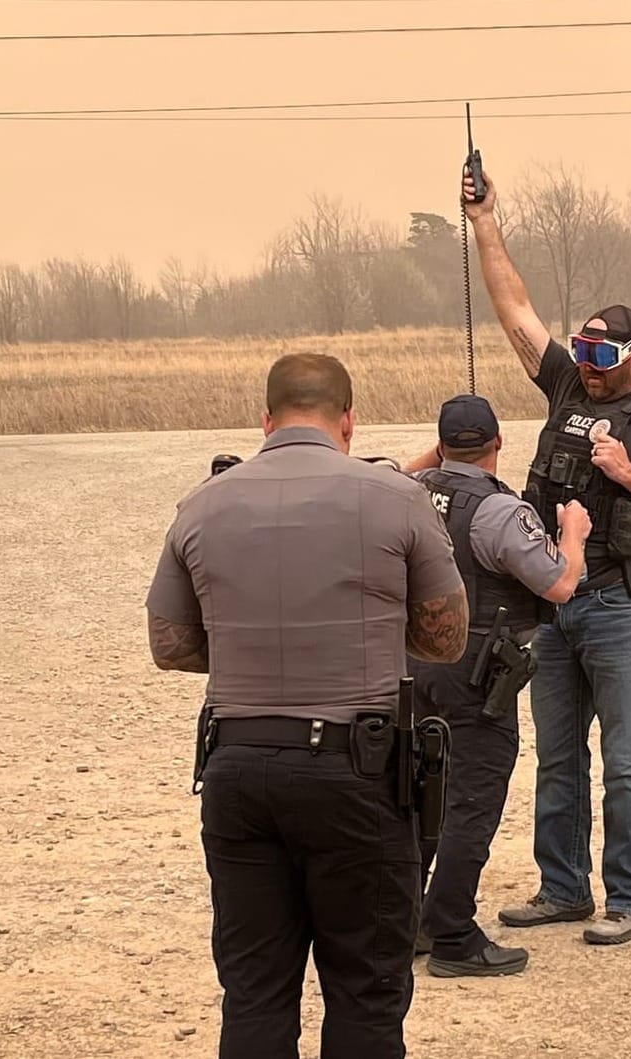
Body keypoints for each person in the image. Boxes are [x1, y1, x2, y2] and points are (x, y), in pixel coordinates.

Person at [144, 351, 468, 1059]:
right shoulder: (397, 497)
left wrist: (243, 644)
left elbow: (170, 644)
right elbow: (447, 636)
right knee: (364, 994)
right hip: (358, 772)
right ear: (347, 421)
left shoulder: (202, 504)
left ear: (265, 420)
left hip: (238, 768)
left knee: (255, 992)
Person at [461, 166, 631, 946]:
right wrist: (484, 222)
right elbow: (512, 310)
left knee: (628, 764)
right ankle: (563, 889)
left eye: (605, 357)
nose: (592, 366)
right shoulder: (567, 385)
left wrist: (626, 473)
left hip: (621, 608)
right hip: (557, 603)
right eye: (585, 352)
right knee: (557, 758)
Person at [399, 393, 593, 977]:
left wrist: (434, 458)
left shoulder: (408, 492)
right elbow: (559, 584)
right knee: (471, 803)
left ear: (440, 442)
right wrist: (574, 533)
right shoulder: (499, 511)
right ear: (499, 442)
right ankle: (453, 931)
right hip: (476, 671)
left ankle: (409, 922)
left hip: (414, 666)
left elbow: (390, 471)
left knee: (417, 801)